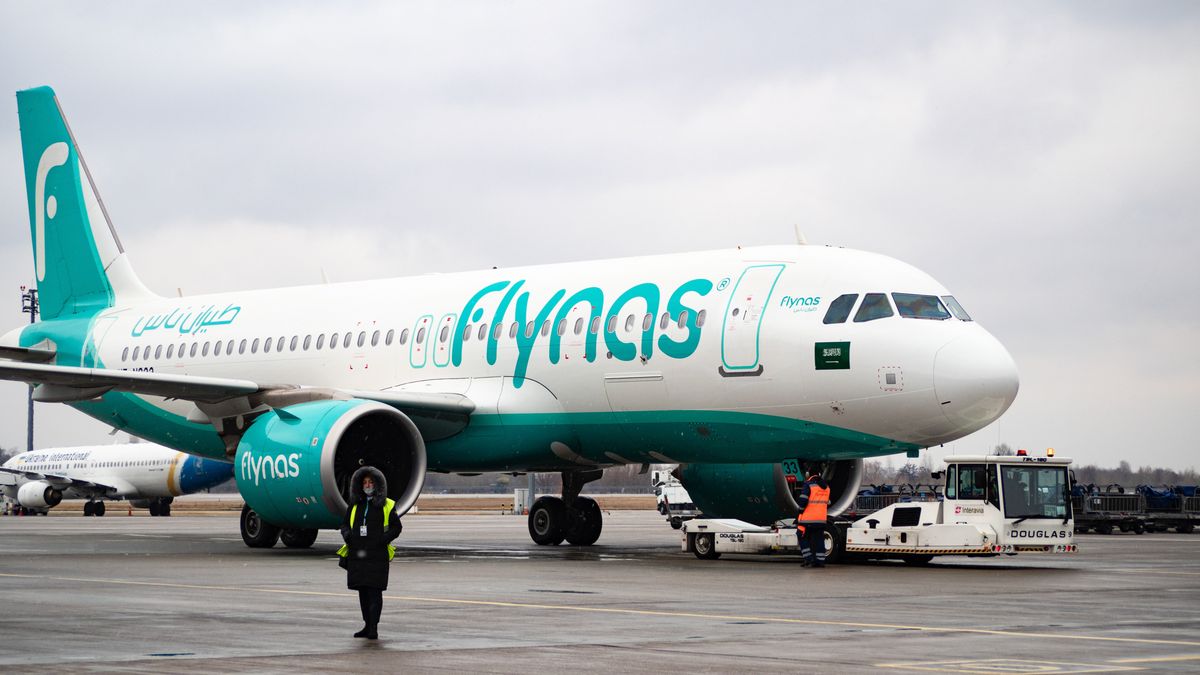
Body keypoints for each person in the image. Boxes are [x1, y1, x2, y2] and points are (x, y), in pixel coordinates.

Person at [337, 466, 401, 640]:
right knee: (362, 592)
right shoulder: (355, 505)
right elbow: (344, 524)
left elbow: (397, 527)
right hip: (358, 555)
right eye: (364, 482)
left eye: (371, 482)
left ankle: (374, 626)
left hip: (377, 555)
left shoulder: (387, 505)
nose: (367, 485)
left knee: (374, 592)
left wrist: (383, 539)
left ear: (378, 485)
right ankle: (366, 624)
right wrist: (347, 535)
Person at [795, 469, 831, 567]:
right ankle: (820, 561)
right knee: (818, 539)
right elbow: (828, 502)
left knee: (801, 535)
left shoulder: (808, 485)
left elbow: (803, 500)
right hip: (821, 519)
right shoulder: (826, 487)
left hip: (808, 518)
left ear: (808, 475)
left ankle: (808, 558)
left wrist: (800, 510)